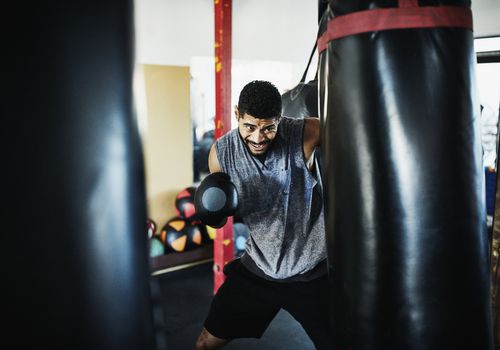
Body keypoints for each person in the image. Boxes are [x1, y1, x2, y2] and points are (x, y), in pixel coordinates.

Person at [195, 80, 329, 349]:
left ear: (280, 118)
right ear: (237, 115)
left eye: (268, 127)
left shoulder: (306, 133)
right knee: (206, 343)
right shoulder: (221, 155)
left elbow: (358, 129)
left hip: (311, 273)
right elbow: (220, 216)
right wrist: (214, 215)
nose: (258, 137)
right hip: (259, 269)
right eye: (249, 126)